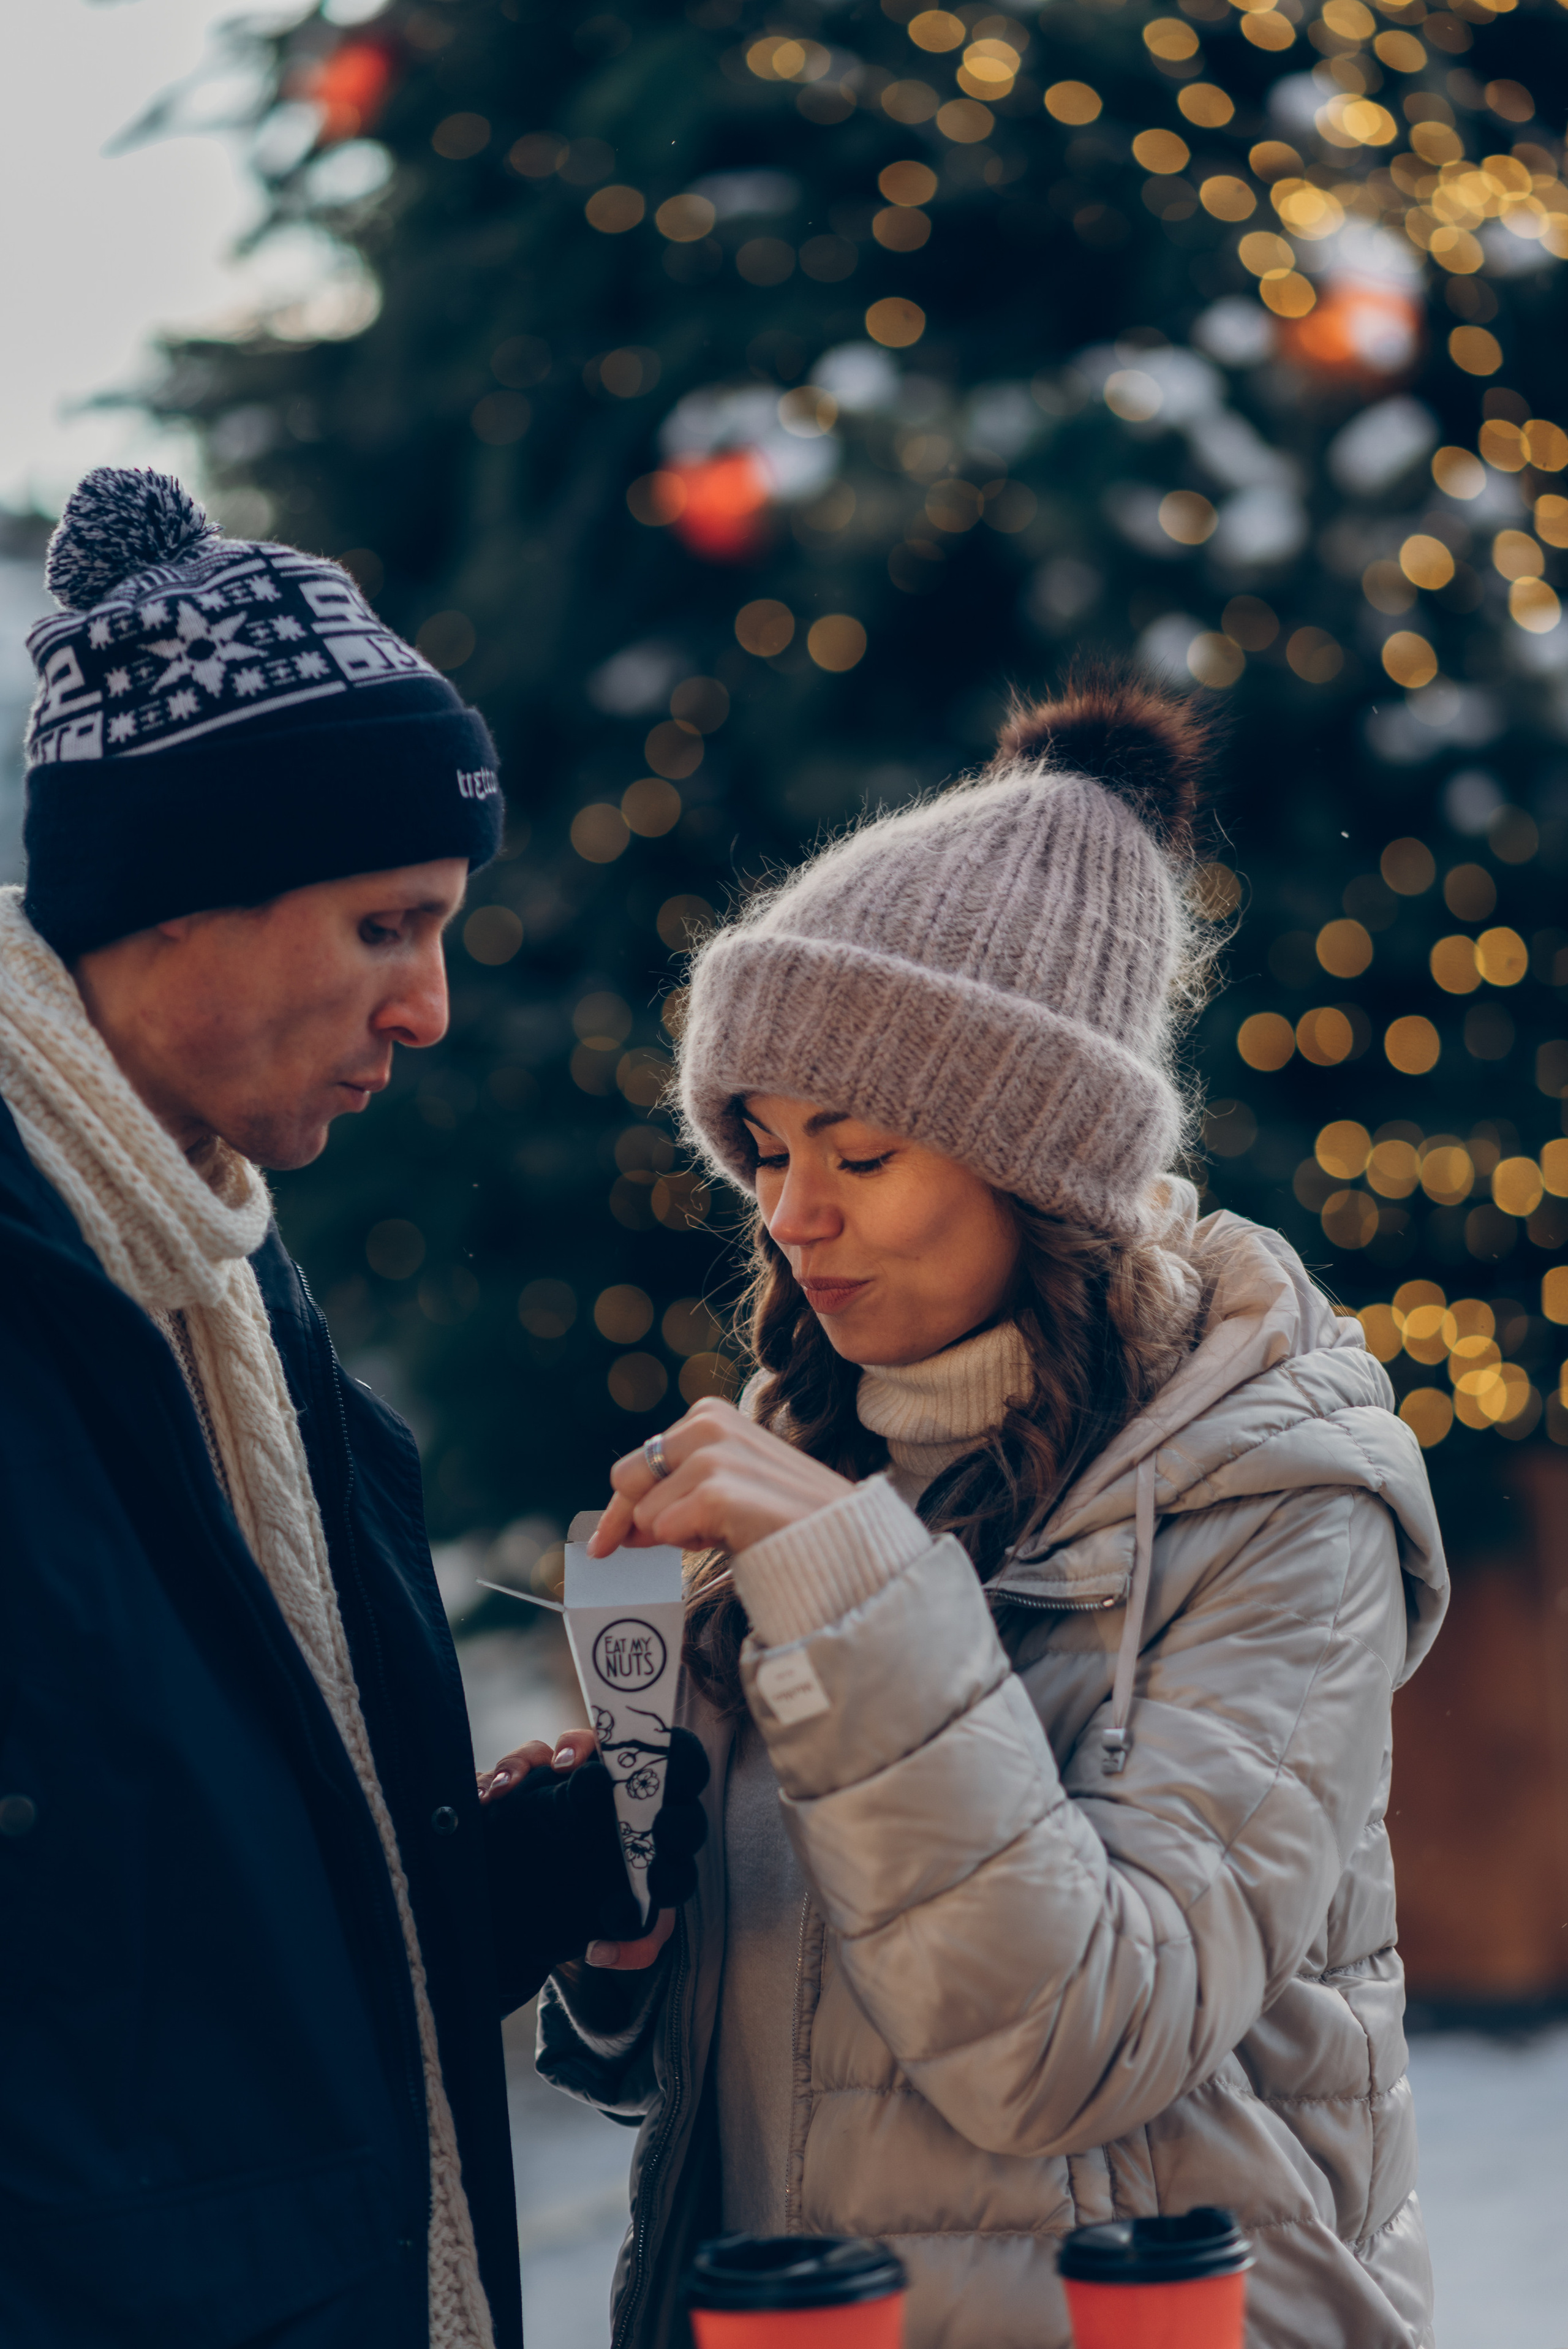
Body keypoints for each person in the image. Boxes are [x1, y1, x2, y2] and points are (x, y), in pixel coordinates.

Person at [538, 678, 1448, 2349]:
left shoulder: (1282, 1499)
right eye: (764, 1147)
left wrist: (841, 1587)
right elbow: (811, 2049)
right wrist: (626, 1936)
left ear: (1037, 1162)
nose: (794, 1215)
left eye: (862, 1152)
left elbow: (1073, 2039)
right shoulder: (814, 1456)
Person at [0, 468, 704, 2349]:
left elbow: (187, 1971)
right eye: (388, 925)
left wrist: (531, 1876)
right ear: (175, 895)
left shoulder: (234, 1290)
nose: (434, 1007)